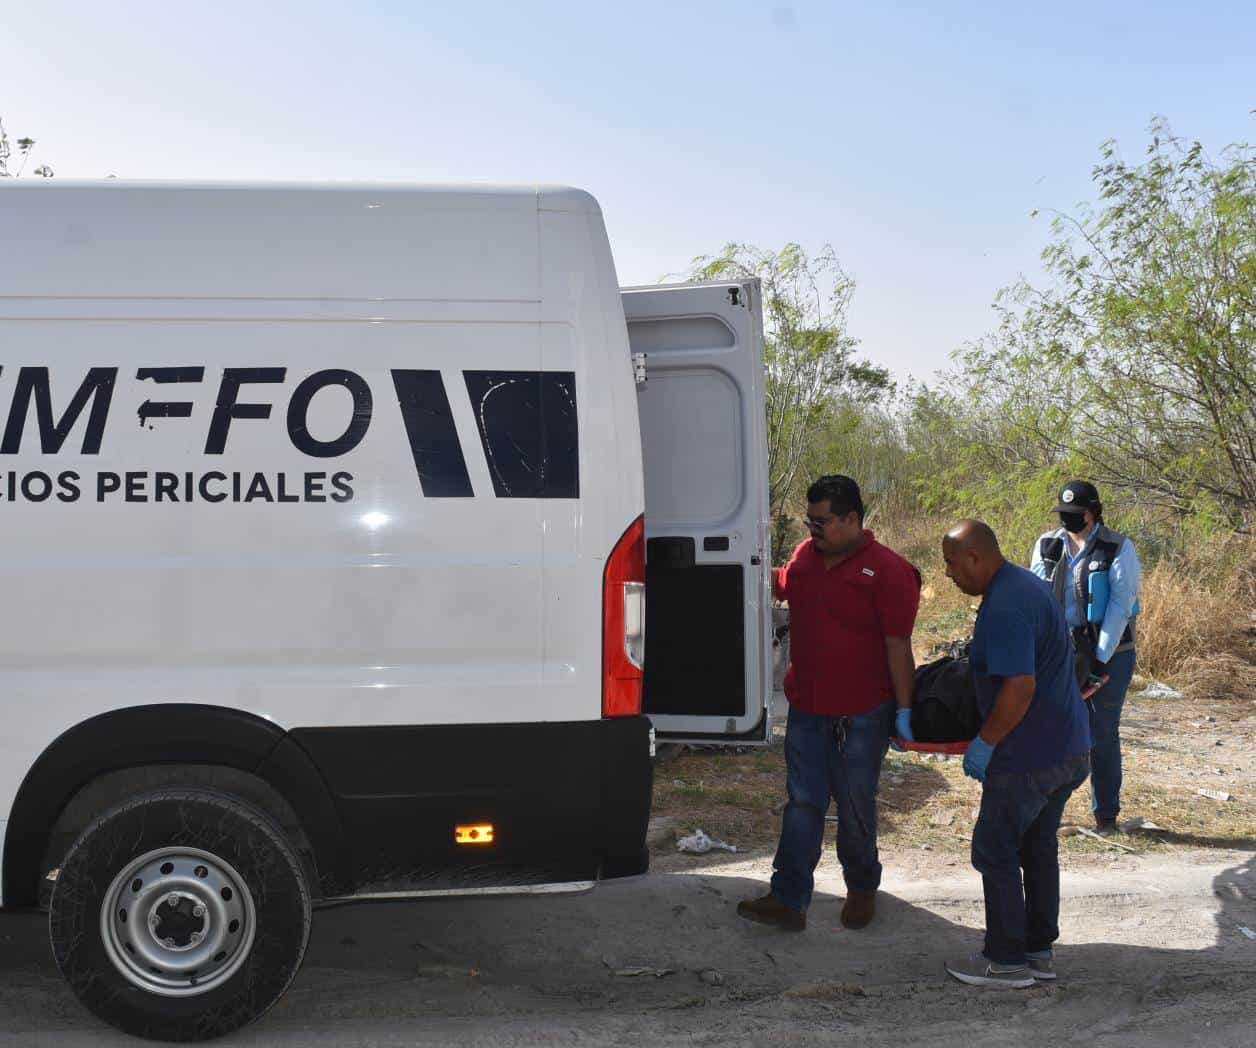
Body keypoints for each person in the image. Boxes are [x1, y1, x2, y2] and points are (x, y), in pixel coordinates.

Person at [737, 475, 920, 932]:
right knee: (802, 802)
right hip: (808, 710)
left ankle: (861, 889)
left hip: (862, 715)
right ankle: (788, 899)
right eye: (809, 520)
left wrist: (905, 710)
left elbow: (899, 645)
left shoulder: (888, 571)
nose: (813, 529)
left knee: (856, 806)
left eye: (822, 522)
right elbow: (783, 585)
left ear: (852, 519)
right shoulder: (804, 556)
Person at [941, 520, 1091, 988]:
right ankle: (1037, 952)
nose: (948, 574)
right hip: (1068, 748)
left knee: (995, 849)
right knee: (1037, 846)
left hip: (1030, 756)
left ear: (975, 557)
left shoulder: (1006, 605)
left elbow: (1019, 688)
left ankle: (1006, 961)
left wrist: (985, 743)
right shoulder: (1027, 585)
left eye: (951, 563)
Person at [1030, 480, 1141, 834]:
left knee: (1100, 733)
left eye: (1075, 514)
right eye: (1063, 514)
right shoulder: (1047, 544)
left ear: (1092, 513)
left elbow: (1120, 606)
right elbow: (1036, 595)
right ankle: (1045, 811)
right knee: (1051, 730)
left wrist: (1099, 658)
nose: (1067, 519)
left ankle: (1105, 815)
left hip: (1109, 652)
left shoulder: (1118, 548)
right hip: (1059, 653)